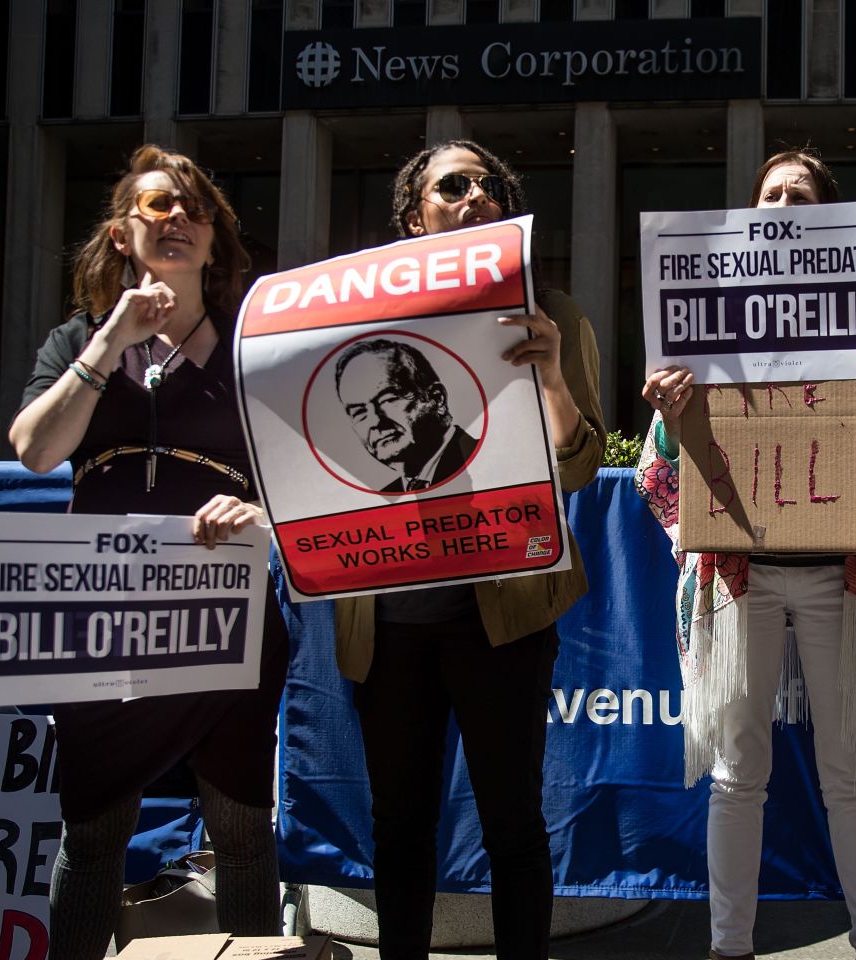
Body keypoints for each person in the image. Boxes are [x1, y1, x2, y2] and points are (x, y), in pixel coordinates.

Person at [634, 148, 856, 960]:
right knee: (736, 772)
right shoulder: (708, 308)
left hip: (838, 573)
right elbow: (670, 457)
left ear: (828, 215)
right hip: (741, 572)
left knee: (849, 776)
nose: (781, 204)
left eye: (798, 194)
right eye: (769, 194)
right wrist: (669, 408)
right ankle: (730, 948)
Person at [8, 144, 287, 958]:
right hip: (108, 615)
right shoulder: (77, 340)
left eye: (194, 208)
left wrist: (257, 513)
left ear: (215, 240)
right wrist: (112, 339)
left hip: (222, 611)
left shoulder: (253, 351)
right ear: (122, 233)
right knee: (94, 830)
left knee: (240, 824)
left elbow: (305, 486)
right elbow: (33, 448)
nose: (176, 219)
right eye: (156, 205)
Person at [330, 139, 605, 960]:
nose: (478, 195)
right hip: (385, 618)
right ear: (416, 212)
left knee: (513, 824)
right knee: (399, 827)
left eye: (493, 187)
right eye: (456, 184)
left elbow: (583, 464)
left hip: (502, 614)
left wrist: (551, 373)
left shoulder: (552, 310)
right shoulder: (352, 316)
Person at [333, 336, 477, 492]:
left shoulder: (493, 461)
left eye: (388, 399)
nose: (375, 422)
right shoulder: (384, 500)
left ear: (437, 398)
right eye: (359, 412)